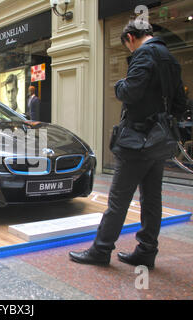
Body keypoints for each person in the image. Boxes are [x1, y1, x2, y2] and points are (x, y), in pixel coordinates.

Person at [69, 21, 187, 269]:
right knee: (152, 198)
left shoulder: (144, 54)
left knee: (118, 199)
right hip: (159, 141)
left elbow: (129, 92)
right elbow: (180, 104)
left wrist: (119, 84)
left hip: (137, 140)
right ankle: (146, 251)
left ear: (131, 38)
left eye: (127, 45)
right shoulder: (170, 58)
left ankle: (101, 250)